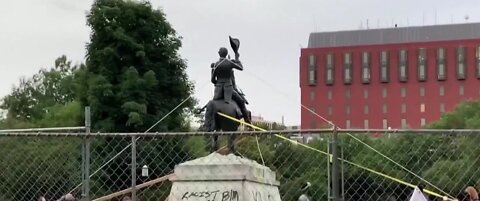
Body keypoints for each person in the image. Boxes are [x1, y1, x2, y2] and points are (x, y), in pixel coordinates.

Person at [210, 47, 251, 124]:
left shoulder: (216, 64)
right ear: (225, 54)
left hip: (218, 90)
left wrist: (218, 83)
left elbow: (212, 80)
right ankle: (248, 122)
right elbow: (241, 67)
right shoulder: (229, 63)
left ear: (219, 53)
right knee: (241, 102)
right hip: (228, 89)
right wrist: (237, 58)